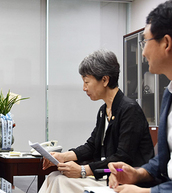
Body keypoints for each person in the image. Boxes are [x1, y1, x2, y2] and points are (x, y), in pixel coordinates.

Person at [39, 49, 154, 193]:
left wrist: (83, 170)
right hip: (105, 176)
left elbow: (122, 157)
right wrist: (62, 156)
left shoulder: (129, 109)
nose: (84, 88)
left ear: (105, 80)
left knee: (62, 182)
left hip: (125, 182)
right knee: (53, 177)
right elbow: (92, 146)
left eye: (87, 82)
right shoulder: (103, 111)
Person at [108, 1, 172, 192]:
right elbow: (164, 159)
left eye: (145, 42)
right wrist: (138, 174)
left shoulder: (128, 108)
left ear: (166, 43)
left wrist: (148, 192)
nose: (143, 52)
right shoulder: (169, 93)